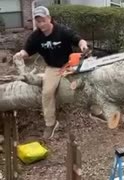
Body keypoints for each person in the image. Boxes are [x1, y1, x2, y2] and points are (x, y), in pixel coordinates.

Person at [14, 6, 88, 139]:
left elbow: (78, 39)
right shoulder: (36, 37)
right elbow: (27, 51)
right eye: (38, 21)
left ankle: (97, 108)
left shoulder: (62, 31)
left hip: (70, 64)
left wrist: (83, 46)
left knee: (86, 84)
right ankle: (50, 124)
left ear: (49, 19)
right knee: (47, 93)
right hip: (53, 68)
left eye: (43, 20)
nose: (41, 24)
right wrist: (20, 54)